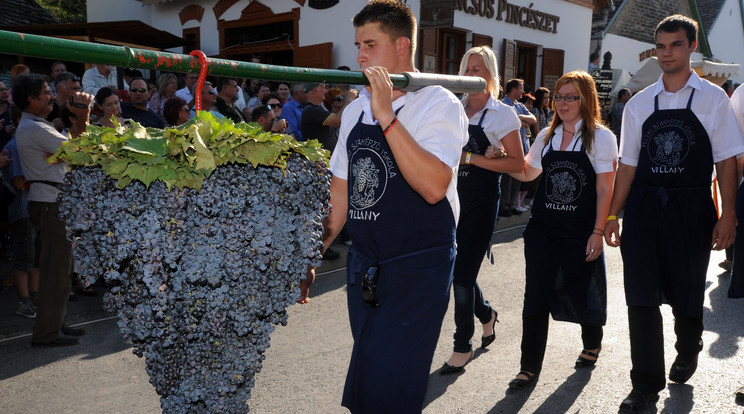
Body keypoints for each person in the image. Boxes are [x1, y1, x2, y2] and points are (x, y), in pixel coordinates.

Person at [301, 1, 468, 411]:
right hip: (366, 266)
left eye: (370, 44)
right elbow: (339, 195)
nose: (359, 55)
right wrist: (310, 253)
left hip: (418, 268)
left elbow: (433, 186)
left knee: (390, 385)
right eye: (357, 44)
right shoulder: (355, 109)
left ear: (400, 46)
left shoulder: (439, 104)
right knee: (371, 376)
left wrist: (386, 114)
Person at [604, 15, 744, 412]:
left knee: (685, 291)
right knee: (641, 295)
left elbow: (726, 161)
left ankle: (689, 342)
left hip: (691, 206)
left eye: (675, 45)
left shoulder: (714, 99)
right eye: (661, 46)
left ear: (691, 46)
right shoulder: (639, 103)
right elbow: (627, 165)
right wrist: (613, 216)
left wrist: (728, 214)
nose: (667, 53)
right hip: (645, 208)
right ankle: (645, 384)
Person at [501, 70, 617, 390]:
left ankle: (592, 343)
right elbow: (527, 173)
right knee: (535, 297)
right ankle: (528, 367)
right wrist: (503, 155)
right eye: (559, 97)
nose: (562, 104)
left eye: (571, 97)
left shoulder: (601, 137)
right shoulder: (547, 136)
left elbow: (606, 190)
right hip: (543, 230)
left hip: (580, 231)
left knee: (582, 290)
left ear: (586, 100)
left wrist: (597, 231)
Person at [439, 46, 524, 375]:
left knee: (460, 277)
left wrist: (473, 158)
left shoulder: (502, 114)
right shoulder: (451, 109)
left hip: (480, 203)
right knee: (460, 272)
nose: (474, 74)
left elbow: (517, 164)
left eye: (480, 68)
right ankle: (487, 314)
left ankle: (463, 344)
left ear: (491, 75)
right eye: (468, 68)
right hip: (447, 200)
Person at [14, 73, 94, 347]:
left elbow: (72, 152)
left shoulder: (37, 126)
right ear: (30, 99)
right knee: (55, 270)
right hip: (51, 202)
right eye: (46, 93)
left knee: (61, 267)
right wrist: (82, 116)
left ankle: (55, 323)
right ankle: (48, 332)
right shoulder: (36, 128)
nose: (51, 97)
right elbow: (81, 152)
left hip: (51, 200)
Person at [3, 104, 39, 318]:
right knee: (24, 258)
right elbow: (18, 183)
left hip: (35, 209)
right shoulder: (15, 145)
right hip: (23, 210)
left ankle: (34, 297)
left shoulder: (28, 143)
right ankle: (23, 301)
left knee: (36, 258)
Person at [500, 78, 537, 216]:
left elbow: (533, 120)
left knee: (517, 179)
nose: (522, 91)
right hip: (508, 149)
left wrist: (518, 117)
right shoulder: (503, 105)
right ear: (514, 89)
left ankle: (511, 205)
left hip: (521, 148)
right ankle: (503, 207)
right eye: (521, 88)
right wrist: (520, 121)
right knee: (507, 179)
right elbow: (508, 124)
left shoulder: (519, 106)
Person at [300, 83, 357, 153]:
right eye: (323, 87)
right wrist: (349, 100)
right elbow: (338, 120)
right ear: (315, 90)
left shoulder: (317, 109)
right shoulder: (311, 110)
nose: (326, 91)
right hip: (320, 160)